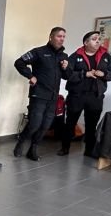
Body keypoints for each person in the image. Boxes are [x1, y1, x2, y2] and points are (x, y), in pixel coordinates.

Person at [13, 27, 70, 161]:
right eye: (59, 36)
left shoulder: (64, 56)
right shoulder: (39, 52)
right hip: (38, 94)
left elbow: (67, 76)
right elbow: (19, 62)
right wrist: (30, 76)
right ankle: (21, 141)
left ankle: (33, 149)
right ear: (51, 37)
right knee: (35, 123)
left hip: (53, 96)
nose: (61, 39)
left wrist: (66, 68)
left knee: (45, 125)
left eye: (63, 37)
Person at [60, 31, 111, 157]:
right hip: (76, 95)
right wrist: (84, 74)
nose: (98, 41)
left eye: (99, 39)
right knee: (70, 122)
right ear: (86, 42)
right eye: (94, 39)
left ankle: (89, 150)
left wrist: (104, 75)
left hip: (95, 96)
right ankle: (65, 148)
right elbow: (66, 75)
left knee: (92, 125)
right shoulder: (75, 56)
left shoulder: (106, 56)